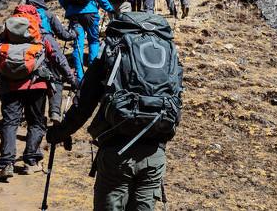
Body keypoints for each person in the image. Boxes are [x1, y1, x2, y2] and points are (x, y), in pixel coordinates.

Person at [46, 12, 183, 210]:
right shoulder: (168, 50)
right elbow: (176, 102)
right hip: (154, 152)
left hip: (115, 151)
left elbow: (84, 103)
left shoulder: (113, 49)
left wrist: (59, 133)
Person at [0, 4, 72, 180]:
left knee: (10, 123)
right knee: (36, 123)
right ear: (35, 17)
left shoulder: (4, 36)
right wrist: (72, 79)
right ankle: (31, 161)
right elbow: (58, 58)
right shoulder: (41, 34)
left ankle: (6, 163)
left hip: (9, 86)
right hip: (36, 85)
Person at [25, 0, 79, 123]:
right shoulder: (48, 15)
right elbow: (63, 34)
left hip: (28, 51)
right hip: (47, 45)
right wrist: (74, 34)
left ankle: (34, 117)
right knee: (56, 79)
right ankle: (55, 111)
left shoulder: (22, 17)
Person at [59, 0, 114, 81]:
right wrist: (109, 8)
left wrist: (69, 9)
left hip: (74, 15)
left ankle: (79, 77)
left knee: (77, 44)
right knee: (93, 41)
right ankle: (92, 75)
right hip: (90, 13)